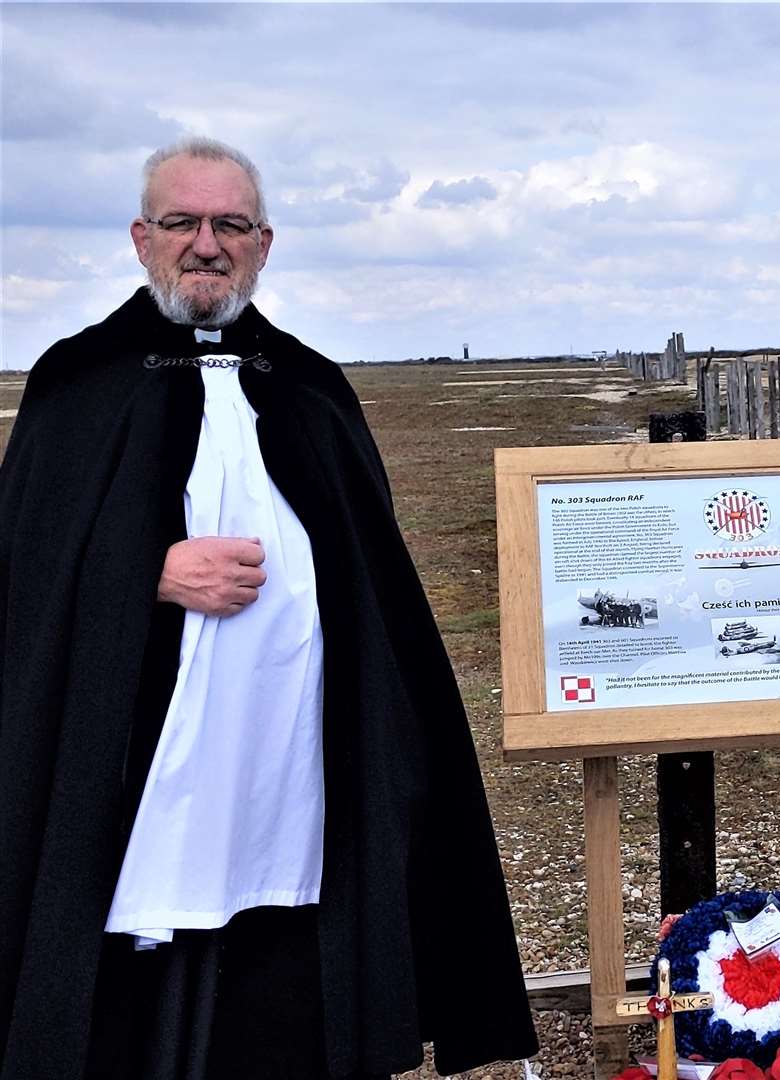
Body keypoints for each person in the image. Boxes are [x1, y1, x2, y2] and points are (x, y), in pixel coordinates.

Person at [0, 137, 538, 1079]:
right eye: (183, 223)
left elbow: (378, 594)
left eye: (230, 225)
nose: (206, 245)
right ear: (142, 238)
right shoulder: (76, 381)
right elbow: (26, 575)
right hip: (136, 761)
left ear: (263, 242)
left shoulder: (312, 385)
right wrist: (145, 572)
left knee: (290, 953)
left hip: (290, 748)